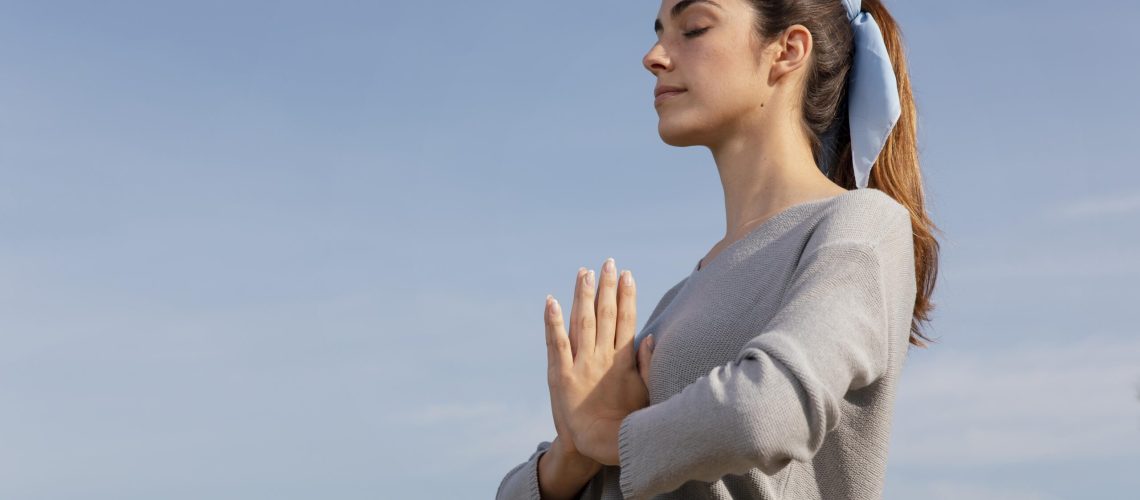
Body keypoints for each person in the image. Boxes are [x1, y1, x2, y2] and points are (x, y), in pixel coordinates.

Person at [497, 0, 940, 498]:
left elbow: (769, 409)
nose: (653, 56)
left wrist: (610, 436)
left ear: (787, 51)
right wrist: (572, 454)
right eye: (660, 31)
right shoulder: (678, 300)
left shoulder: (860, 224)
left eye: (694, 28)